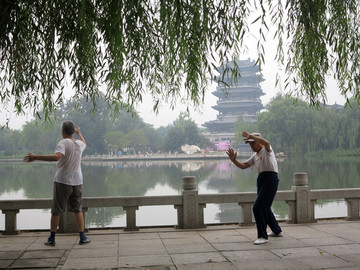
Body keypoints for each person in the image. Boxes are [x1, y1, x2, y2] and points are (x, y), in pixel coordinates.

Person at [23, 120, 91, 246]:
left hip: (62, 181)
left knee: (56, 210)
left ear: (62, 131)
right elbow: (84, 143)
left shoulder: (63, 142)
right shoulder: (79, 144)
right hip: (77, 181)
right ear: (73, 132)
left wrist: (36, 157)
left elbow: (57, 157)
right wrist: (80, 134)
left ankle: (52, 238)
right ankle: (82, 236)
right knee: (78, 209)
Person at [226, 131, 283, 245]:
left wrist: (250, 136)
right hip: (261, 178)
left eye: (252, 143)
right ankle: (277, 231)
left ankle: (262, 236)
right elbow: (243, 166)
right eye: (249, 144)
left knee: (257, 207)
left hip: (270, 178)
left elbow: (266, 142)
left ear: (259, 142)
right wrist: (234, 160)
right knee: (265, 207)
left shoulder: (267, 150)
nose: (251, 146)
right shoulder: (255, 156)